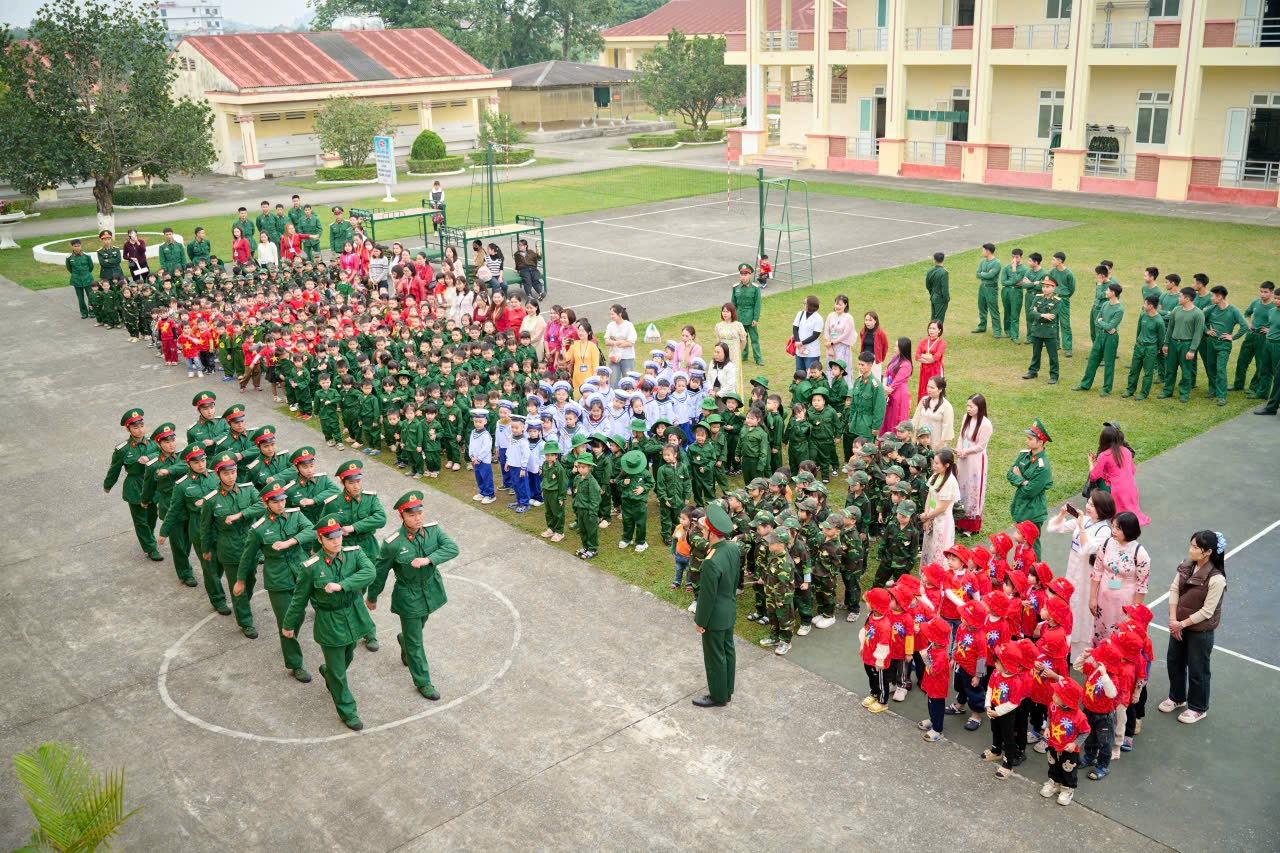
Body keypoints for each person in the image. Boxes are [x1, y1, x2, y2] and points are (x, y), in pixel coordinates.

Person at [282, 517, 377, 731]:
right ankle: (348, 711)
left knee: (348, 656)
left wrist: (342, 585)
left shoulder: (354, 553)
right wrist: (288, 625)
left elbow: (370, 572)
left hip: (354, 614)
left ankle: (329, 672)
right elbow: (298, 599)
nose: (336, 541)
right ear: (320, 538)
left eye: (338, 536)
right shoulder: (311, 567)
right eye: (330, 537)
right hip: (330, 621)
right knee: (339, 672)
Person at [368, 491, 459, 701]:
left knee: (418, 629)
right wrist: (372, 596)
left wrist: (428, 559)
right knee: (417, 643)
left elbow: (452, 548)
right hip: (408, 595)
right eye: (411, 515)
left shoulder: (433, 531)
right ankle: (423, 682)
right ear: (402, 516)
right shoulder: (393, 543)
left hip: (430, 589)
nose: (417, 518)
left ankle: (404, 641)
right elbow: (380, 571)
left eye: (419, 513)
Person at [235, 482, 315, 683]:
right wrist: (240, 580)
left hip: (300, 570)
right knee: (286, 619)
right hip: (278, 577)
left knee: (299, 616)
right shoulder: (259, 529)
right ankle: (295, 663)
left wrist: (291, 541)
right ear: (266, 502)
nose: (281, 505)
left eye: (283, 500)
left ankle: (288, 640)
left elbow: (312, 531)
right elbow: (248, 557)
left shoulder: (295, 515)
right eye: (276, 501)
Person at [1161, 530, 1226, 725]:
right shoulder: (1186, 565)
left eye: (1196, 547)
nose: (1191, 550)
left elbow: (1207, 611)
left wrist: (1181, 623)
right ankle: (1177, 697)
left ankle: (1198, 707)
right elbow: (1174, 589)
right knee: (1174, 662)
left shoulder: (1217, 579)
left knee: (1198, 669)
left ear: (1207, 552)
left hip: (1200, 631)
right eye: (1191, 545)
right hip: (1179, 625)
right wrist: (1174, 621)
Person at [200, 452, 265, 639]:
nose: (231, 476)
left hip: (250, 544)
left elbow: (263, 505)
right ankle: (246, 622)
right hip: (228, 547)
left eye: (234, 472)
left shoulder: (248, 489)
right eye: (226, 473)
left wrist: (240, 515)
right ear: (218, 475)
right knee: (238, 584)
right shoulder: (211, 500)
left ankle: (242, 603)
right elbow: (206, 528)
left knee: (251, 579)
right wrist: (205, 550)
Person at [1047, 492, 1116, 662]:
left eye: (1092, 505)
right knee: (1070, 605)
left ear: (1102, 509)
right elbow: (1055, 528)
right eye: (1088, 503)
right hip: (1073, 571)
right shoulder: (1082, 520)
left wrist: (1082, 527)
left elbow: (1088, 549)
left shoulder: (1104, 530)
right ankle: (1067, 645)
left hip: (1088, 577)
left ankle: (1083, 652)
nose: (1088, 507)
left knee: (1084, 611)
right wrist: (1062, 514)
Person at [692, 504, 740, 708]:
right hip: (728, 608)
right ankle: (727, 689)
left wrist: (700, 621)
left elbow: (707, 596)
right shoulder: (732, 548)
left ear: (711, 533)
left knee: (715, 657)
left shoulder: (711, 561)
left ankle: (718, 696)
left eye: (704, 530)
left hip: (715, 615)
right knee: (728, 650)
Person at [104, 408, 164, 562]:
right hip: (135, 486)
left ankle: (148, 537)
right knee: (140, 520)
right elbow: (115, 468)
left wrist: (148, 457)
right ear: (128, 429)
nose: (140, 430)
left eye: (142, 426)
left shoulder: (153, 444)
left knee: (152, 515)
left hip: (152, 484)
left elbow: (163, 455)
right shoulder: (123, 449)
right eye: (135, 427)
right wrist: (108, 484)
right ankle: (151, 548)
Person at [1089, 511, 1149, 647]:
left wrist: (1134, 613)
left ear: (1128, 530)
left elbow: (1142, 586)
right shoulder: (1106, 544)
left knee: (1119, 640)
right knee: (1100, 633)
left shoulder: (1140, 553)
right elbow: (1097, 571)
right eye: (1113, 527)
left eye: (1118, 528)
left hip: (1124, 604)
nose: (1113, 531)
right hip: (1103, 599)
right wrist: (1093, 597)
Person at [1007, 419, 1053, 559]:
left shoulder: (1042, 466)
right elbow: (1009, 474)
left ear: (1040, 442)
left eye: (1030, 439)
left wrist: (1019, 479)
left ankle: (1036, 572)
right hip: (1022, 507)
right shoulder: (1024, 454)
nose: (1027, 441)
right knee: (1021, 542)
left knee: (1032, 543)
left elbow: (1030, 491)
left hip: (1033, 511)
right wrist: (1023, 481)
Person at [1087, 424, 1149, 525]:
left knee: (1118, 522)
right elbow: (1133, 470)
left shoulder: (1104, 455)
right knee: (1128, 520)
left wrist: (1090, 461)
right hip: (1131, 488)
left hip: (1117, 491)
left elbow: (1094, 476)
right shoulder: (1126, 451)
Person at [1074, 279, 1124, 396]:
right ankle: (1085, 384)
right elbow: (1097, 321)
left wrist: (1103, 323)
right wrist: (1104, 324)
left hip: (1111, 339)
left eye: (1107, 290)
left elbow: (1111, 326)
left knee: (1109, 363)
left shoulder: (1119, 309)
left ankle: (1106, 389)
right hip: (1100, 335)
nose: (1106, 292)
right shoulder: (1105, 304)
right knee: (1092, 360)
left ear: (1113, 293)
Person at [1159, 286, 1206, 403]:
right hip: (1173, 344)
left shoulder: (1198, 314)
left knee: (1186, 371)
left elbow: (1198, 333)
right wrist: (1166, 343)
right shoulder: (1176, 310)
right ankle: (1167, 391)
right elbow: (1170, 327)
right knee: (1170, 369)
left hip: (1186, 345)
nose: (1178, 298)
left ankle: (1184, 394)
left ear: (1187, 298)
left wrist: (1192, 350)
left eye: (1180, 296)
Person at [1202, 285, 1247, 406]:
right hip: (1211, 342)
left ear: (1220, 297)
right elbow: (1200, 319)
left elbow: (1245, 326)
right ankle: (1213, 390)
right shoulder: (1211, 309)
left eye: (1213, 296)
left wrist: (1232, 337)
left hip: (1224, 345)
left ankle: (1222, 396)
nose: (1211, 298)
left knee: (1220, 369)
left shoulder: (1233, 310)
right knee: (1210, 366)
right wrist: (1206, 330)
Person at [954, 394, 992, 535]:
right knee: (961, 485)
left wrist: (965, 451)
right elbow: (961, 436)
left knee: (973, 489)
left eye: (971, 406)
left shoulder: (986, 424)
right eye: (967, 406)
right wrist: (959, 449)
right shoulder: (966, 418)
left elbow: (980, 446)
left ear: (979, 407)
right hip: (963, 458)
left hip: (975, 461)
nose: (968, 409)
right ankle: (959, 519)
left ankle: (970, 525)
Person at [919, 448, 959, 566]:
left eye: (937, 463)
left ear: (946, 465)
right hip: (931, 518)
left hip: (942, 522)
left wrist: (927, 516)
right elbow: (930, 495)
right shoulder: (936, 475)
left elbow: (943, 507)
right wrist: (927, 516)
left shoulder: (950, 482)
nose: (934, 465)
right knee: (929, 549)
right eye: (934, 462)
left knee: (939, 552)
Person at [1122, 295, 1166, 401]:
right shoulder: (1143, 315)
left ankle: (1143, 393)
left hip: (1150, 349)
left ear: (1151, 306)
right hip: (1139, 347)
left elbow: (1161, 338)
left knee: (1148, 373)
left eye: (1145, 303)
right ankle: (1130, 390)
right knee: (1134, 370)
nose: (1143, 305)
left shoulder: (1159, 321)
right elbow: (1139, 330)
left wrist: (1158, 350)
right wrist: (1137, 343)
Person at [1234, 280, 1274, 397]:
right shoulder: (1256, 303)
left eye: (1265, 292)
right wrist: (1248, 323)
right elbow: (1247, 313)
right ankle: (1238, 385)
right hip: (1250, 335)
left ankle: (1254, 387)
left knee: (1260, 364)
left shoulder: (1274, 307)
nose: (1262, 294)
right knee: (1242, 360)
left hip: (1263, 338)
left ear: (1271, 293)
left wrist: (1270, 330)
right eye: (1261, 291)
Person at [1022, 276, 1061, 384]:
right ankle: (1033, 371)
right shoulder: (1038, 297)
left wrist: (1037, 313)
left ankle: (1054, 375)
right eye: (1043, 286)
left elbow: (1052, 316)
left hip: (1049, 332)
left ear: (1054, 288)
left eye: (1048, 287)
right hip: (1037, 330)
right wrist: (1042, 314)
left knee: (1052, 355)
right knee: (1036, 353)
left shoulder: (1057, 301)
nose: (1045, 289)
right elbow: (1030, 312)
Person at [878, 336, 913, 436]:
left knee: (896, 417)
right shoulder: (895, 358)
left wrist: (887, 389)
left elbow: (897, 381)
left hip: (899, 394)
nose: (894, 348)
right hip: (889, 390)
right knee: (888, 417)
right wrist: (884, 385)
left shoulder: (906, 365)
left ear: (903, 348)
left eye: (897, 346)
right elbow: (886, 373)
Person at [731, 263, 763, 365]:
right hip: (739, 317)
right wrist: (733, 318)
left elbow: (757, 304)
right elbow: (733, 304)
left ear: (750, 275)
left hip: (751, 317)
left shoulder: (755, 288)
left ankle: (758, 358)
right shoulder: (736, 287)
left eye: (746, 274)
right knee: (741, 338)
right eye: (742, 274)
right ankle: (743, 356)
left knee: (754, 338)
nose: (743, 277)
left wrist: (755, 319)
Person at [912, 376, 955, 448]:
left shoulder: (946, 406)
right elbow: (917, 419)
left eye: (932, 388)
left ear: (940, 389)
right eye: (928, 387)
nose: (929, 390)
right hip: (921, 441)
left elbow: (947, 429)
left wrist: (938, 447)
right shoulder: (924, 400)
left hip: (935, 442)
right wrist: (915, 438)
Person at [1048, 252, 1076, 357]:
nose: (1052, 262)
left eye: (1054, 259)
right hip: (1053, 298)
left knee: (1065, 324)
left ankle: (1068, 348)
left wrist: (1065, 296)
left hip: (1063, 299)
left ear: (1060, 261)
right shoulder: (1051, 272)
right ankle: (1055, 344)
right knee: (1053, 321)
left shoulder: (1069, 273)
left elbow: (1071, 288)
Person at [562, 319, 602, 393]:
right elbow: (566, 358)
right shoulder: (574, 343)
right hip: (577, 379)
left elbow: (595, 366)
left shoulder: (593, 346)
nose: (580, 333)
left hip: (589, 379)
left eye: (583, 331)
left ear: (589, 332)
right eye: (579, 330)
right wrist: (563, 347)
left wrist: (594, 381)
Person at [604, 304, 637, 386]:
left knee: (629, 382)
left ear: (619, 314)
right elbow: (606, 341)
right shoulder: (610, 325)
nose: (611, 316)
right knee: (613, 383)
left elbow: (631, 342)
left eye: (613, 314)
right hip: (614, 358)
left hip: (627, 358)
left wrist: (614, 342)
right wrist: (620, 342)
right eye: (610, 314)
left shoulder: (629, 325)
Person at [825, 294, 857, 377]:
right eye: (836, 304)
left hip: (842, 347)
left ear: (845, 305)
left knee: (840, 368)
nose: (838, 306)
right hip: (831, 347)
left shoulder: (848, 318)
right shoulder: (830, 315)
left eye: (840, 304)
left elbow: (846, 334)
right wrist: (830, 346)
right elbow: (826, 331)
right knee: (831, 368)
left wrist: (833, 342)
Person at [973, 243, 1002, 337]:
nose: (982, 252)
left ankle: (997, 331)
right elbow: (977, 274)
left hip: (991, 288)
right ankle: (982, 326)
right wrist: (984, 273)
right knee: (981, 307)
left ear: (988, 251)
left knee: (993, 308)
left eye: (983, 250)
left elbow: (991, 275)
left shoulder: (997, 263)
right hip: (982, 287)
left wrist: (983, 273)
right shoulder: (983, 261)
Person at [715, 303, 748, 384]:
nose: (725, 314)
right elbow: (718, 341)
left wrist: (738, 351)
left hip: (734, 354)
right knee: (723, 375)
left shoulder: (738, 325)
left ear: (732, 313)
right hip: (723, 353)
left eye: (727, 312)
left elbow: (743, 340)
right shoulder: (718, 326)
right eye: (723, 311)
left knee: (733, 376)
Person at [914, 320, 946, 403]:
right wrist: (928, 358)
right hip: (924, 370)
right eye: (930, 328)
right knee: (924, 388)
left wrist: (923, 356)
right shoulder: (923, 341)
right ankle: (923, 408)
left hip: (936, 370)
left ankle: (936, 408)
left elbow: (935, 357)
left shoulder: (941, 343)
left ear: (939, 330)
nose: (931, 330)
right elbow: (917, 356)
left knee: (935, 388)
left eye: (934, 328)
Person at [1000, 248, 1026, 342]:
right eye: (1013, 257)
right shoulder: (1006, 267)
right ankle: (1007, 331)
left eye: (1016, 257)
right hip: (1006, 291)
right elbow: (1003, 281)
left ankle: (1015, 335)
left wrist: (1014, 269)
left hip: (1016, 292)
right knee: (1007, 311)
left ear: (1021, 257)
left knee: (1015, 313)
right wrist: (1013, 282)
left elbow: (1017, 281)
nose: (1014, 259)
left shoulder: (1024, 269)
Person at [792, 296, 824, 372]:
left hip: (811, 351)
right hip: (799, 350)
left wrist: (801, 343)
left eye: (805, 303)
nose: (803, 304)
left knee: (811, 374)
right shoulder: (800, 314)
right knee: (799, 373)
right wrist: (798, 342)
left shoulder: (818, 318)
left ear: (810, 305)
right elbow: (795, 328)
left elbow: (815, 335)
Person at [66, 238, 95, 319]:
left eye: (79, 246)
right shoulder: (69, 257)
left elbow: (91, 267)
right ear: (72, 246)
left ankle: (92, 311)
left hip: (87, 278)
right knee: (80, 298)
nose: (77, 248)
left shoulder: (86, 256)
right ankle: (84, 313)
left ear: (81, 246)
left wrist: (86, 273)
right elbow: (69, 268)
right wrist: (76, 275)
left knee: (91, 296)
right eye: (75, 246)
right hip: (76, 280)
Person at [926, 252, 950, 324]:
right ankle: (937, 334)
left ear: (934, 260)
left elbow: (928, 285)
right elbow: (944, 289)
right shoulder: (944, 273)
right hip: (941, 299)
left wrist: (932, 293)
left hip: (933, 297)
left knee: (933, 318)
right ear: (943, 260)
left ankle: (930, 333)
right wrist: (946, 299)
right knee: (939, 320)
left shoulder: (930, 271)